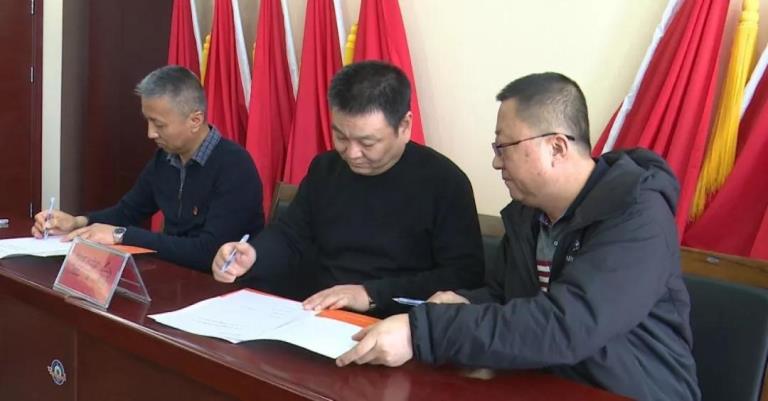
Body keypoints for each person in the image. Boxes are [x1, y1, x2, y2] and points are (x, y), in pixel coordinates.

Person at [336, 72, 701, 401]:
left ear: (556, 147)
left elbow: (567, 325)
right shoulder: (528, 215)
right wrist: (464, 302)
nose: (496, 162)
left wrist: (421, 332)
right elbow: (504, 296)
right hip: (544, 383)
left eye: (504, 147)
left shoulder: (636, 216)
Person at [211, 61, 484, 316]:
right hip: (318, 314)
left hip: (395, 324)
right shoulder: (325, 169)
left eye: (367, 143)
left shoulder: (445, 183)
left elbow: (462, 276)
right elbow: (290, 235)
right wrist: (253, 255)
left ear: (404, 126)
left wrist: (371, 294)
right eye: (340, 136)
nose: (351, 153)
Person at [31, 65, 264, 272]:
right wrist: (78, 222)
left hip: (221, 287)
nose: (151, 133)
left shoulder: (234, 166)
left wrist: (121, 235)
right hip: (174, 276)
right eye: (148, 121)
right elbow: (128, 212)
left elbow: (209, 252)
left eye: (159, 124)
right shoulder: (165, 158)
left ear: (195, 120)